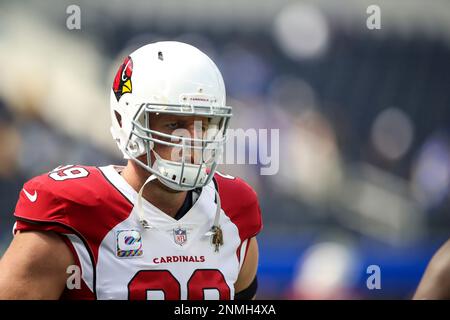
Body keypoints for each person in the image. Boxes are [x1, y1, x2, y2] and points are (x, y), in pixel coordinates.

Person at [0, 41, 263, 300]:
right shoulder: (75, 211)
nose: (192, 143)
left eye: (203, 126)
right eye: (174, 124)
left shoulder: (233, 208)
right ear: (124, 120)